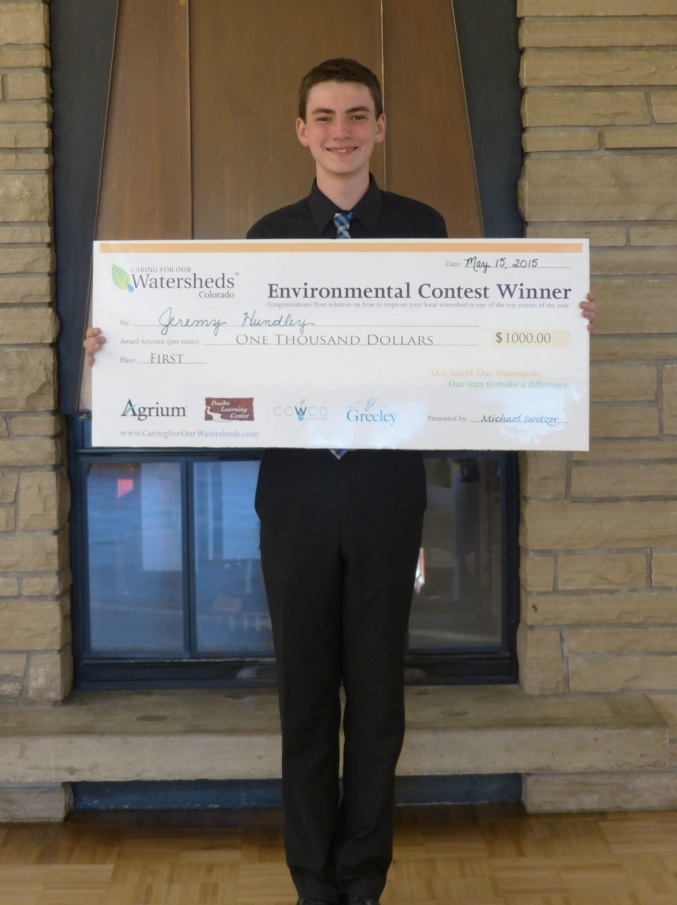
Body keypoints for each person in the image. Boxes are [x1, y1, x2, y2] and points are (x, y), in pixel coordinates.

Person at [85, 58, 595, 905]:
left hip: (387, 491)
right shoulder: (268, 238)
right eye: (323, 116)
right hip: (294, 495)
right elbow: (219, 354)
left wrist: (555, 321)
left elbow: (470, 333)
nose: (341, 131)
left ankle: (363, 876)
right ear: (301, 131)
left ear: (380, 127)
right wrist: (125, 350)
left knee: (380, 696)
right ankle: (311, 879)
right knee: (305, 697)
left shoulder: (423, 230)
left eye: (357, 115)